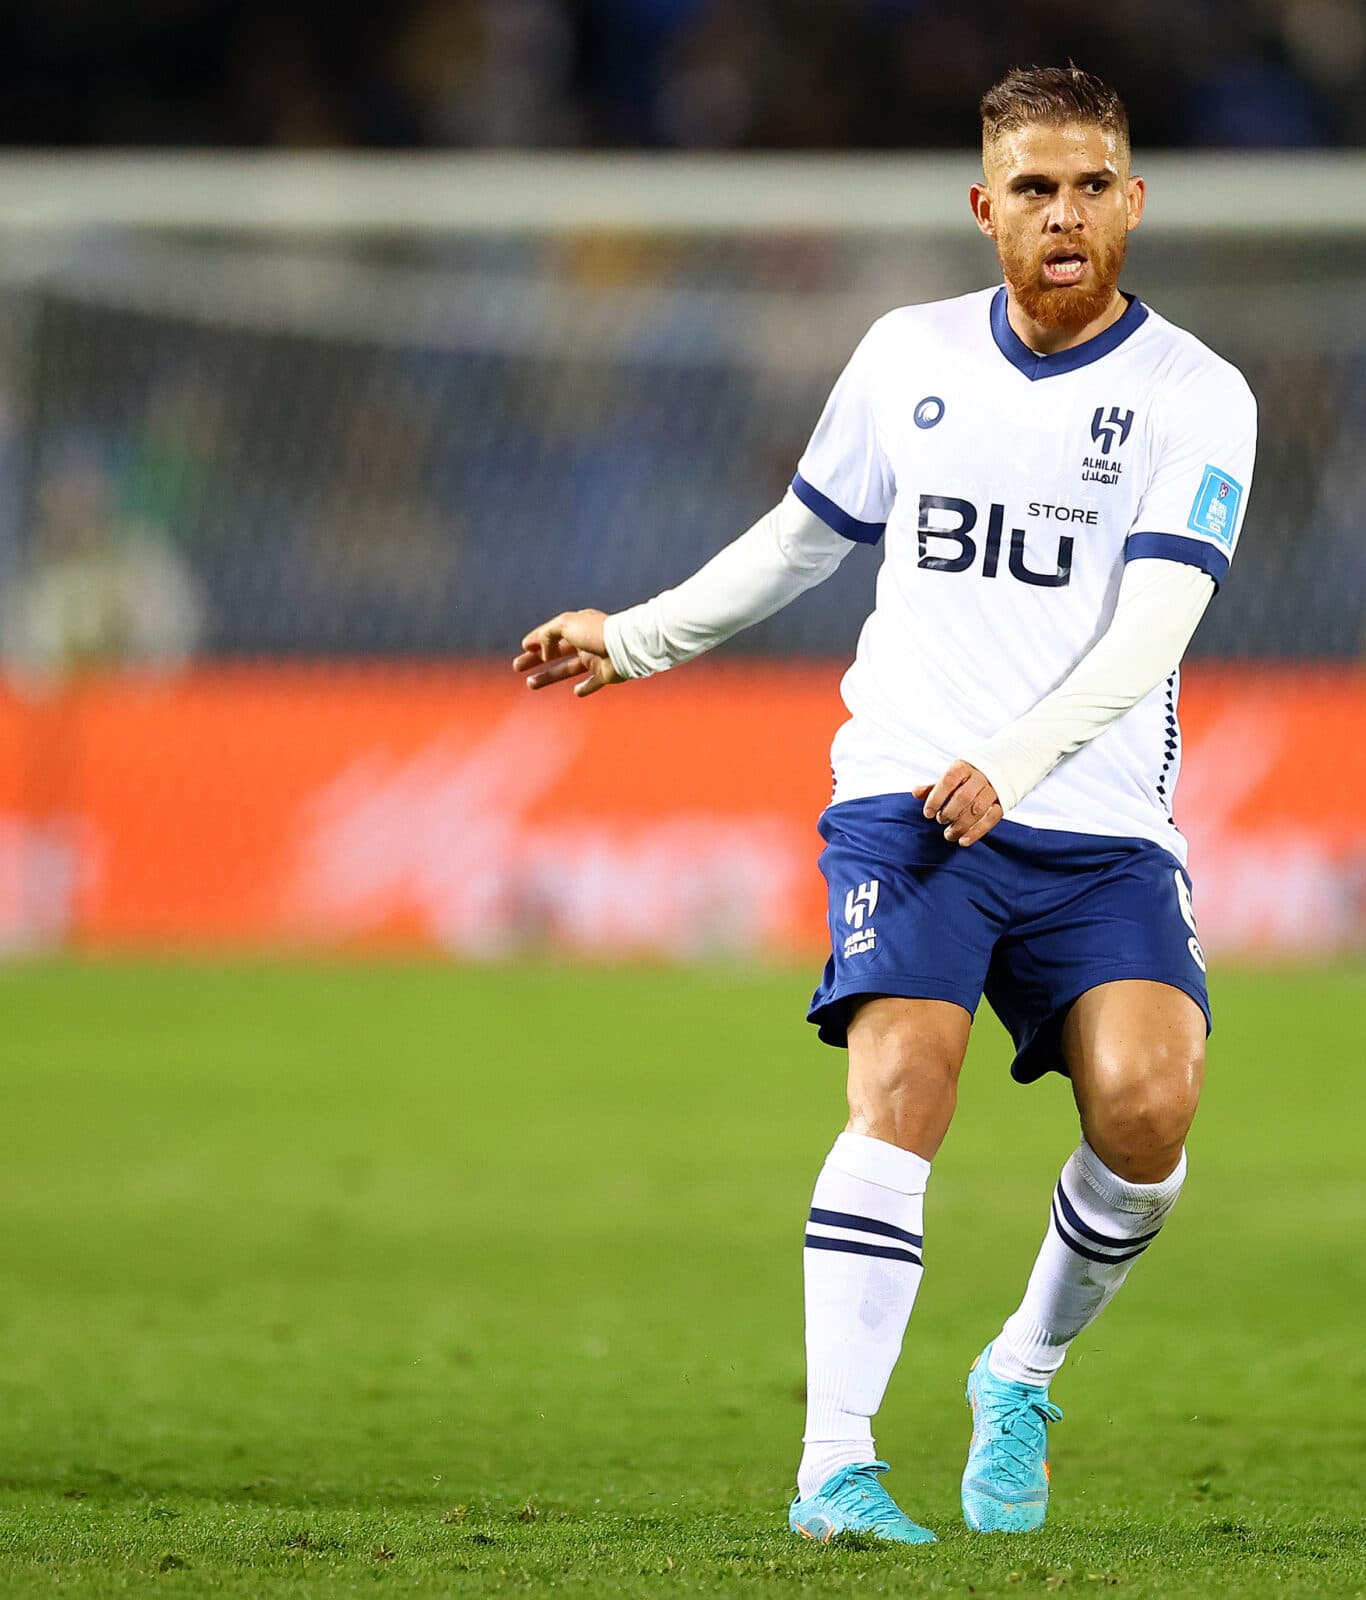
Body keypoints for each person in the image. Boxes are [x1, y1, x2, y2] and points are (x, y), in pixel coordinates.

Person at [511, 65, 1254, 1545]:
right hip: (909, 797)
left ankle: (1021, 1369)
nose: (1064, 212)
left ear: (1134, 204)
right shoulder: (906, 355)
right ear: (985, 209)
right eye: (1034, 187)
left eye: (1092, 184)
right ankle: (834, 1470)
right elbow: (804, 538)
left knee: (1151, 1107)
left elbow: (1155, 627)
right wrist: (639, 637)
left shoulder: (1197, 393)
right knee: (904, 1083)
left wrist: (1024, 761)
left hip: (1092, 817)